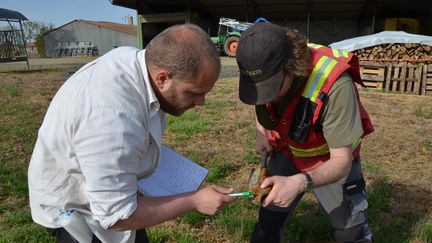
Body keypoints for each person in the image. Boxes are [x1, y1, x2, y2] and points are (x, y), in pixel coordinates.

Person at [28, 24, 235, 243]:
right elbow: (116, 216)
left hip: (112, 193)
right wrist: (194, 201)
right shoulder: (111, 118)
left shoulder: (137, 62)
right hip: (83, 214)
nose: (201, 103)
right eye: (194, 93)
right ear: (162, 78)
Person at [235, 22, 374, 242]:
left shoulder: (335, 84)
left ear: (291, 67)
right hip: (288, 149)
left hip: (331, 158)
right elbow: (261, 102)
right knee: (267, 225)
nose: (266, 98)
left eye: (271, 89)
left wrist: (300, 182)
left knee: (351, 233)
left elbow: (341, 161)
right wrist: (261, 132)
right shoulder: (264, 69)